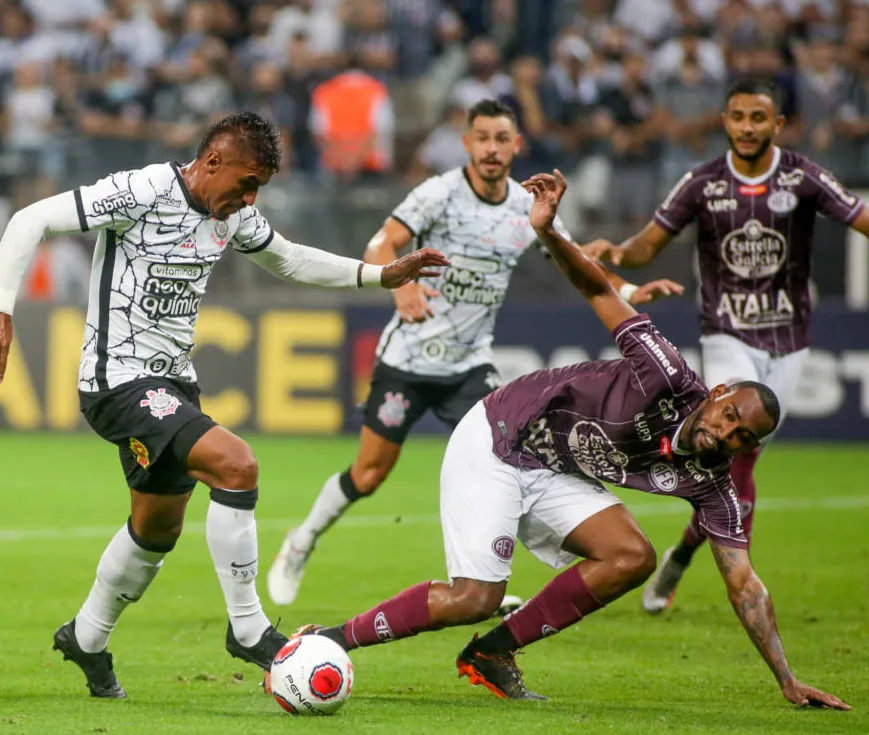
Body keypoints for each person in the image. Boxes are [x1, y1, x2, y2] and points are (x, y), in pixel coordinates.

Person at [293, 170, 849, 711]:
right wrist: (549, 231)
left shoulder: (712, 483)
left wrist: (788, 679)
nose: (724, 431)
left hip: (555, 469)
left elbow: (745, 585)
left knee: (632, 556)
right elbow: (596, 287)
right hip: (500, 437)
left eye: (740, 435)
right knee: (474, 598)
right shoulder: (667, 375)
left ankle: (494, 652)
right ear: (718, 392)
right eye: (729, 415)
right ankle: (328, 638)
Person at [0, 111, 448, 699]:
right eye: (246, 182)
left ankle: (85, 637)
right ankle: (248, 628)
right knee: (236, 464)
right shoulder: (142, 191)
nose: (250, 197)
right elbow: (30, 218)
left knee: (155, 529)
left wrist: (379, 276)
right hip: (119, 381)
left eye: (259, 187)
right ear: (212, 162)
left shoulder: (233, 216)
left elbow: (288, 259)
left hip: (172, 386)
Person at [266, 98, 684, 608]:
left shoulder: (525, 208)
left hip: (470, 365)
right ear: (467, 143)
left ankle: (481, 579)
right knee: (370, 473)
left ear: (516, 145)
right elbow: (382, 243)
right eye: (481, 137)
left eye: (500, 138)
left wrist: (633, 295)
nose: (491, 148)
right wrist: (402, 289)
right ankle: (301, 541)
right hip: (408, 360)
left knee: (509, 458)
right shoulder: (439, 194)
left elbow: (577, 265)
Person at [582, 77, 869, 615]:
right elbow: (648, 243)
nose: (746, 127)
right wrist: (617, 250)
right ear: (725, 120)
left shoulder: (803, 176)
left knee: (739, 462)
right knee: (740, 459)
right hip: (727, 335)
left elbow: (859, 216)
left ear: (777, 124)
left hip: (789, 342)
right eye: (737, 116)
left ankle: (685, 552)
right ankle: (741, 576)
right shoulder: (704, 183)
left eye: (757, 118)